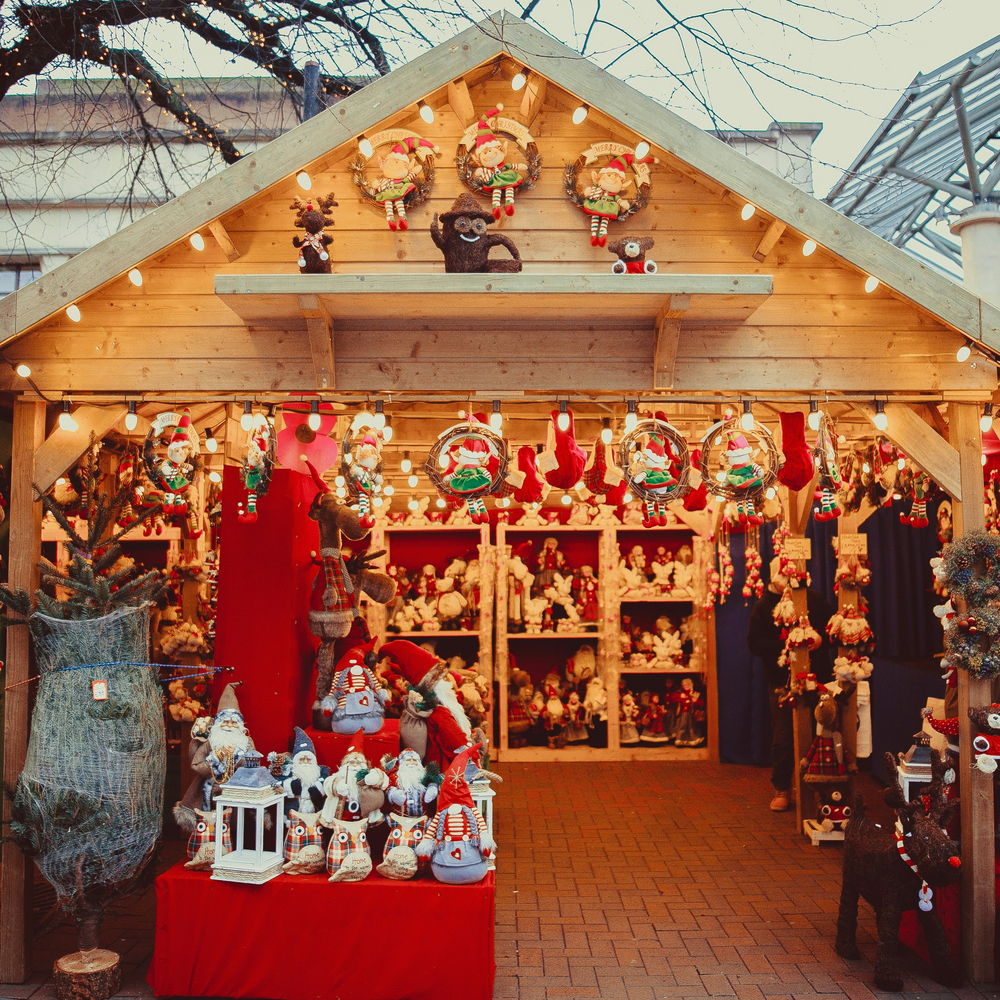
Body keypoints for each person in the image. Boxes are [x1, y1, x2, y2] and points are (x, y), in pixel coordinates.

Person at [747, 557, 832, 812]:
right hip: (781, 681)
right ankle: (782, 788)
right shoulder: (764, 607)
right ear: (773, 576)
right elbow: (754, 643)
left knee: (822, 733)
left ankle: (822, 790)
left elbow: (832, 629)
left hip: (818, 679)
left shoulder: (813, 599)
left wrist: (818, 639)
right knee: (784, 737)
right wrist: (788, 644)